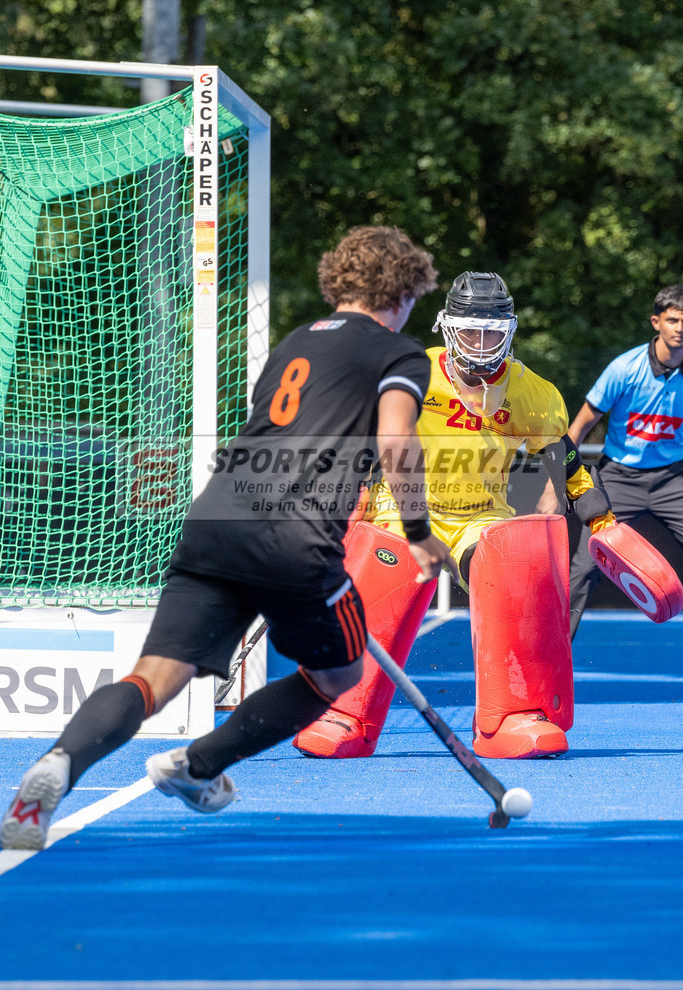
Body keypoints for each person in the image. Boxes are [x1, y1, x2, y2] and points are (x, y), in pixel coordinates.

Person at [1, 224, 456, 851]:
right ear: (405, 291)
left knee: (154, 678)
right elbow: (397, 441)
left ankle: (58, 764)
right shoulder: (398, 353)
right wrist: (418, 531)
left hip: (216, 520)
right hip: (296, 539)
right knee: (336, 676)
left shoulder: (296, 342)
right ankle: (197, 764)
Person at [293, 271, 614, 762]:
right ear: (448, 328)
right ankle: (346, 713)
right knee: (375, 584)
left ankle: (511, 716)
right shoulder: (407, 372)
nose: (482, 346)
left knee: (516, 565)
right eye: (471, 333)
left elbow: (564, 461)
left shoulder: (534, 393)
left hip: (480, 515)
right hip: (404, 510)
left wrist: (601, 520)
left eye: (492, 334)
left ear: (509, 332)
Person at [536, 284, 683, 639]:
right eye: (673, 319)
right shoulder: (624, 368)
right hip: (619, 477)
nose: (680, 328)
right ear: (656, 322)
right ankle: (555, 651)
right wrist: (553, 486)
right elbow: (579, 427)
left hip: (673, 480)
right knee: (586, 567)